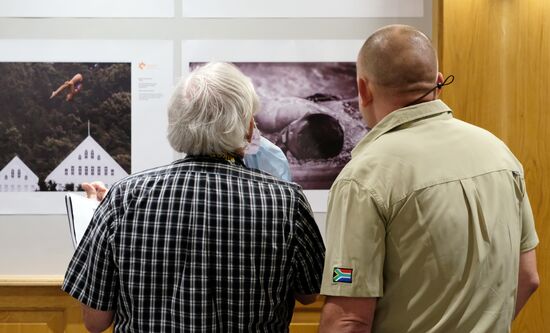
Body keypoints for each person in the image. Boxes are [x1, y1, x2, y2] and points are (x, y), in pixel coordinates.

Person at [62, 62, 325, 332]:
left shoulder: (123, 199)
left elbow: (95, 321)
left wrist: (99, 225)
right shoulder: (287, 202)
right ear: (248, 128)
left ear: (176, 124)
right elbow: (308, 294)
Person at [319, 24, 539, 333]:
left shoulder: (364, 177)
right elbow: (528, 278)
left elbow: (349, 319)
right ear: (438, 83)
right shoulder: (500, 154)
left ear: (364, 89)